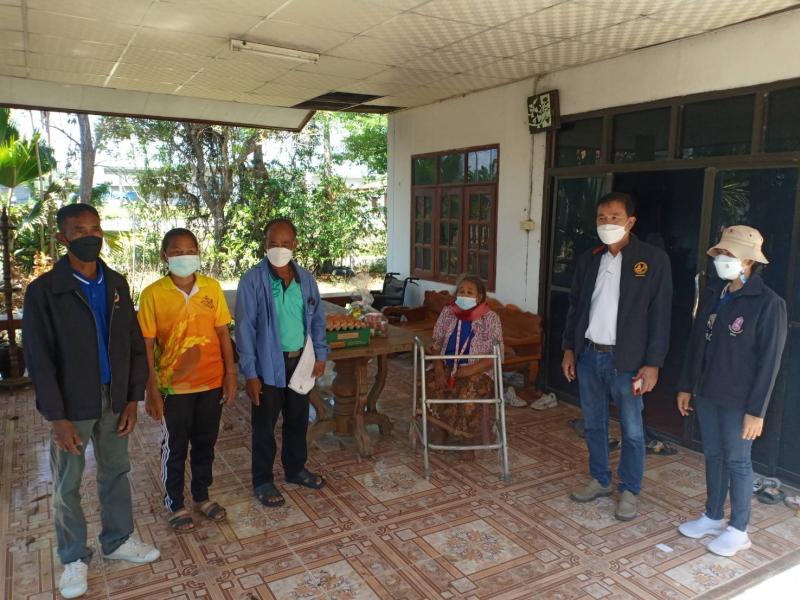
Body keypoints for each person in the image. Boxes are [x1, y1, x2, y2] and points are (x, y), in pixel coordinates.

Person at [23, 204, 159, 599]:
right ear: (62, 237)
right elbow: (39, 358)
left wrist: (132, 398)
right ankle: (73, 556)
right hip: (72, 404)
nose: (90, 236)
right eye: (80, 230)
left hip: (114, 399)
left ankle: (118, 540)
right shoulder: (45, 291)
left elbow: (133, 344)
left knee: (116, 471)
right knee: (67, 482)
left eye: (95, 228)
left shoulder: (116, 283)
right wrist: (57, 417)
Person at [676, 226, 787, 557]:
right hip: (708, 392)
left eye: (729, 254)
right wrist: (686, 386)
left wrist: (757, 411)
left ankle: (739, 529)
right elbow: (696, 344)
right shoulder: (715, 294)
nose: (722, 259)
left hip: (740, 400)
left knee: (738, 461)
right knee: (713, 454)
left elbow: (769, 364)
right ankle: (712, 515)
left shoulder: (768, 304)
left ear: (749, 261)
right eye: (721, 253)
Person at [562, 192, 672, 521]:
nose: (607, 223)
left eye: (614, 217)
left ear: (630, 221)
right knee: (593, 424)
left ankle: (629, 489)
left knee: (632, 430)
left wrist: (653, 363)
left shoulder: (652, 260)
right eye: (601, 217)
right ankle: (600, 479)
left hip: (628, 362)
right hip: (589, 356)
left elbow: (660, 316)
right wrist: (569, 348)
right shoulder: (589, 259)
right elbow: (575, 308)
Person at [137, 228, 238, 532]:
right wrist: (151, 390)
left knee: (206, 442)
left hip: (211, 382)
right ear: (164, 256)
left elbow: (223, 334)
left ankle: (202, 496)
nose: (184, 256)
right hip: (173, 387)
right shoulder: (153, 294)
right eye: (177, 252)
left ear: (198, 253)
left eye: (190, 251)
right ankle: (175, 503)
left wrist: (230, 375)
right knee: (176, 446)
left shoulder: (211, 288)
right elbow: (146, 346)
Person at [235, 218, 328, 507]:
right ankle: (263, 480)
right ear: (264, 245)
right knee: (264, 426)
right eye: (273, 243)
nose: (279, 249)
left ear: (295, 245)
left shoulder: (306, 280)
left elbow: (317, 321)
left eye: (285, 243)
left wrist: (321, 354)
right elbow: (245, 330)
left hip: (300, 362)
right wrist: (250, 374)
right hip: (267, 367)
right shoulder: (252, 281)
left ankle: (295, 469)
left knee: (297, 420)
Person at [427, 275, 503, 450]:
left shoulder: (490, 318)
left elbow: (496, 353)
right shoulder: (448, 312)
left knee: (467, 392)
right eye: (461, 291)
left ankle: (467, 439)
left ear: (479, 297)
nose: (464, 295)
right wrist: (438, 368)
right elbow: (436, 341)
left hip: (478, 370)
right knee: (429, 384)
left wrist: (468, 370)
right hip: (446, 366)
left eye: (469, 292)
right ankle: (441, 430)